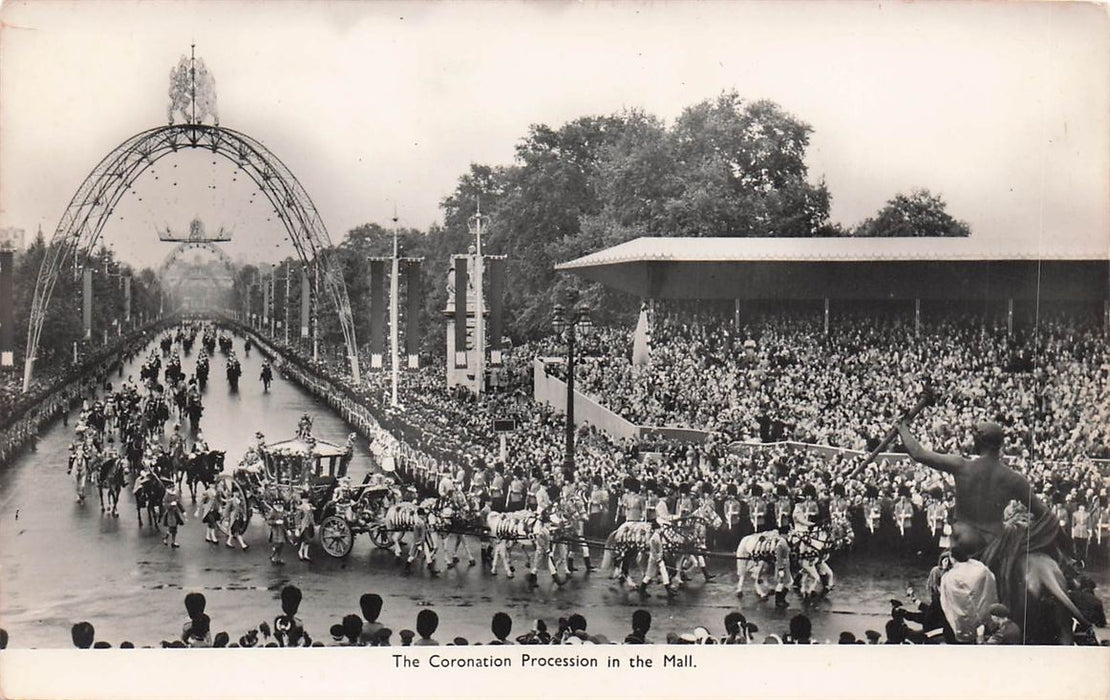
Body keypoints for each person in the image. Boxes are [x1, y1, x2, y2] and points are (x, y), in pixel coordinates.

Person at [897, 420, 1085, 635]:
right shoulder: (1014, 479)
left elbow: (917, 452)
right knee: (1021, 530)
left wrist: (901, 427)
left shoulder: (961, 465)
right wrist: (1068, 549)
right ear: (1001, 445)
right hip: (996, 540)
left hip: (963, 544)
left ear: (978, 442)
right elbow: (1046, 516)